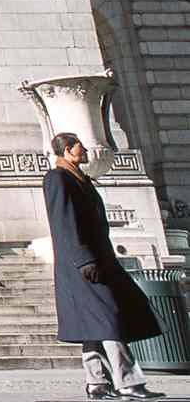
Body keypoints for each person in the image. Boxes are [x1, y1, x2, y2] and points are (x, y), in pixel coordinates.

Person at [45, 131, 164, 400]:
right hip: (81, 265)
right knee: (108, 319)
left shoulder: (79, 179)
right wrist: (83, 258)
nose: (84, 149)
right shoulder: (57, 178)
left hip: (95, 261)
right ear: (67, 151)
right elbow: (63, 223)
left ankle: (97, 382)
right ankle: (129, 383)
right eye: (79, 146)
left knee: (92, 322)